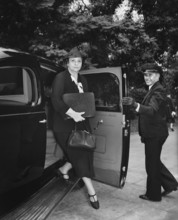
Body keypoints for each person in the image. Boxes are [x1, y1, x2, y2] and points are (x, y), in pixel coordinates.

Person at [51, 47, 99, 209]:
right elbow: (56, 100)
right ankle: (92, 192)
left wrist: (85, 116)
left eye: (79, 61)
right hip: (64, 125)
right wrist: (73, 114)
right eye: (73, 61)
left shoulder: (83, 80)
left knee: (86, 151)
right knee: (79, 157)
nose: (76, 64)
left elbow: (85, 100)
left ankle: (64, 168)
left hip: (80, 123)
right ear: (67, 63)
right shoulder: (60, 78)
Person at [122, 63, 178, 202]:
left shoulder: (158, 90)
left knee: (151, 165)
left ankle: (153, 195)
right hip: (155, 132)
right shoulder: (153, 89)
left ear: (158, 75)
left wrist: (135, 104)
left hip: (155, 134)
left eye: (150, 74)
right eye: (145, 75)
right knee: (154, 162)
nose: (147, 77)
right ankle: (170, 184)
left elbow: (151, 110)